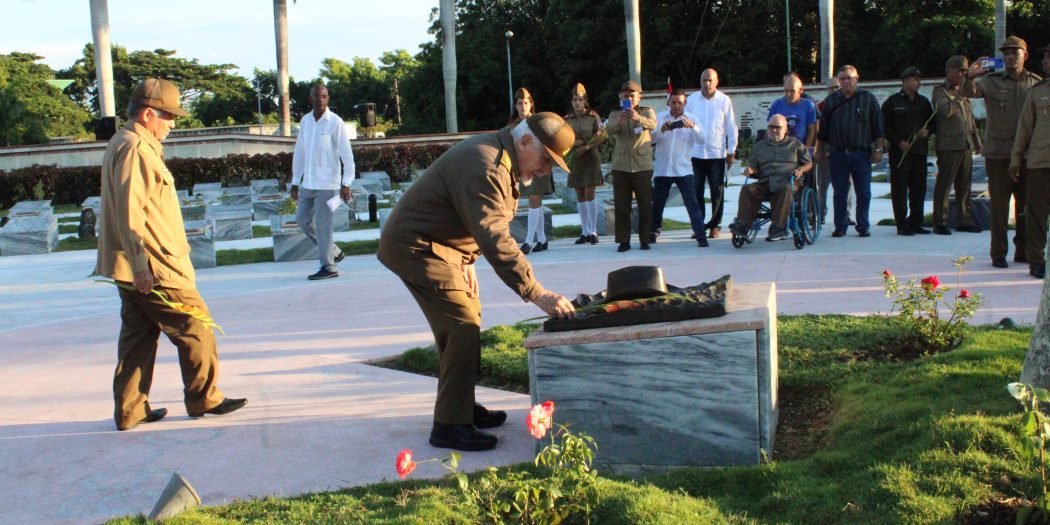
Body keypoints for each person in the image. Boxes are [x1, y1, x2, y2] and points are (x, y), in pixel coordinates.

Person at [377, 113, 577, 451]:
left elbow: (468, 217)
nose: (546, 170)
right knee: (461, 322)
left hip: (438, 246)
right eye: (545, 160)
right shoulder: (487, 164)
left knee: (462, 319)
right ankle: (450, 426)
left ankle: (461, 407)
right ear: (525, 141)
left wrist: (465, 260)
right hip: (416, 246)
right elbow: (495, 237)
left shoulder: (502, 157)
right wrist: (537, 293)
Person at [96, 78, 246, 431]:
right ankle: (203, 398)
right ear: (149, 114)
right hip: (152, 264)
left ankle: (131, 409)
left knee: (138, 336)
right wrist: (141, 267)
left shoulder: (127, 142)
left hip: (135, 264)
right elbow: (131, 212)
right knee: (196, 326)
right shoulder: (135, 148)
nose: (173, 123)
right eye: (168, 116)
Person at [962, 36, 1044, 269]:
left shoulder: (1035, 84)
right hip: (999, 154)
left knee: (1026, 207)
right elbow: (970, 92)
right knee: (999, 206)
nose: (1009, 57)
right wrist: (970, 75)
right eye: (1006, 53)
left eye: (1014, 53)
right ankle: (998, 253)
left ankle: (1024, 251)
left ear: (1024, 56)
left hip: (1028, 156)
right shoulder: (992, 81)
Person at [290, 83, 356, 280]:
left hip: (328, 184)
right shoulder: (305, 121)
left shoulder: (335, 122)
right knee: (302, 220)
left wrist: (346, 183)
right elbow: (299, 153)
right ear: (311, 98)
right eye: (317, 96)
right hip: (308, 183)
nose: (321, 99)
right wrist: (295, 181)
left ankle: (329, 267)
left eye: (324, 96)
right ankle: (333, 250)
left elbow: (347, 155)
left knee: (323, 225)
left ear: (328, 98)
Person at [815, 65, 885, 238]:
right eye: (843, 78)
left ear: (856, 78)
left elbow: (878, 128)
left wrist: (878, 150)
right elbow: (823, 130)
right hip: (838, 154)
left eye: (849, 77)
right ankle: (840, 225)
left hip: (861, 153)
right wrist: (818, 150)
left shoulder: (867, 99)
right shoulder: (832, 100)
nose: (846, 81)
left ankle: (863, 225)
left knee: (863, 192)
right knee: (840, 192)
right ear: (839, 81)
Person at [729, 114, 813, 242]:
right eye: (771, 127)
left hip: (787, 180)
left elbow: (809, 163)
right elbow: (754, 167)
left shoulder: (795, 144)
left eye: (778, 127)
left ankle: (778, 229)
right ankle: (743, 226)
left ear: (785, 129)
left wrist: (800, 169)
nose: (774, 130)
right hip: (765, 182)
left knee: (785, 189)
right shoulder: (759, 146)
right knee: (747, 189)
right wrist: (750, 170)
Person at [1010, 44, 1050, 279]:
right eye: (1044, 56)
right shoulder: (1037, 91)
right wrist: (1016, 159)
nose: (1044, 61)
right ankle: (1036, 261)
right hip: (1039, 162)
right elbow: (1024, 129)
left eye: (1048, 57)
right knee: (1035, 214)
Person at [931, 57, 983, 236]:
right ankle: (940, 221)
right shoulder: (940, 91)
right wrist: (959, 97)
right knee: (944, 185)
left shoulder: (964, 92)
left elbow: (971, 120)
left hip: (966, 144)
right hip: (948, 145)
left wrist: (977, 141)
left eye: (964, 71)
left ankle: (964, 220)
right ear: (949, 70)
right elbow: (945, 112)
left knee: (964, 185)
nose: (962, 74)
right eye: (959, 70)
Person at [650, 89, 707, 247]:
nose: (676, 106)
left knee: (691, 203)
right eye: (673, 102)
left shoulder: (692, 118)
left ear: (685, 103)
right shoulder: (660, 117)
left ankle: (700, 234)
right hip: (663, 168)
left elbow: (702, 140)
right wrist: (662, 130)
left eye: (680, 102)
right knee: (658, 203)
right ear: (669, 102)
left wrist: (693, 127)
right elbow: (650, 139)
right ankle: (654, 231)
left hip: (683, 169)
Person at [606, 80, 658, 252]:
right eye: (625, 96)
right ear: (621, 97)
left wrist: (638, 118)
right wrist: (619, 122)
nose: (629, 98)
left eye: (632, 95)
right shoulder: (615, 114)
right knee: (622, 205)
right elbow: (608, 131)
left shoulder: (646, 111)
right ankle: (623, 240)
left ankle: (645, 239)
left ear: (638, 97)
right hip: (621, 166)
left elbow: (653, 124)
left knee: (644, 205)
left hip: (642, 165)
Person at [685, 69, 738, 240]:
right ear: (700, 81)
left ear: (716, 82)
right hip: (695, 154)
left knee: (717, 192)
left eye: (710, 80)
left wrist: (731, 151)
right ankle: (699, 226)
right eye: (704, 80)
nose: (707, 83)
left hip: (716, 153)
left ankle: (715, 225)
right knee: (696, 192)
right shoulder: (691, 100)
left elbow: (731, 127)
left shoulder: (724, 100)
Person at [882, 66, 935, 236]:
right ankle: (902, 224)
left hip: (919, 152)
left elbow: (933, 123)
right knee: (899, 189)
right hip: (900, 153)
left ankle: (916, 223)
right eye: (915, 79)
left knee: (918, 189)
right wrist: (898, 141)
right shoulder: (893, 101)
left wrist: (928, 132)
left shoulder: (924, 102)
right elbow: (884, 126)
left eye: (919, 79)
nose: (918, 82)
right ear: (905, 81)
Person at [510, 88, 553, 254]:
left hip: (539, 166)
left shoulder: (538, 122)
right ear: (515, 106)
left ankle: (528, 241)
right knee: (536, 202)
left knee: (534, 199)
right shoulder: (511, 127)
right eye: (520, 103)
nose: (523, 106)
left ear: (531, 104)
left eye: (526, 103)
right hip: (524, 168)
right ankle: (542, 239)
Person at [564, 83, 606, 245]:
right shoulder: (567, 120)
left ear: (585, 101)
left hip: (590, 157)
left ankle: (593, 231)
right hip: (575, 158)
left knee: (590, 193)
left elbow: (602, 135)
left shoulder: (592, 116)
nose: (577, 103)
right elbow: (561, 139)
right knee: (579, 194)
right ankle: (585, 231)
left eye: (580, 100)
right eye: (575, 100)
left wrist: (587, 145)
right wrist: (574, 143)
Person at [770, 73, 817, 148]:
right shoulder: (777, 104)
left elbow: (812, 129)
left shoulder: (808, 105)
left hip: (800, 147)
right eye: (786, 91)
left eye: (792, 91)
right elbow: (770, 128)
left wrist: (807, 148)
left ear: (801, 90)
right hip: (780, 148)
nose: (788, 94)